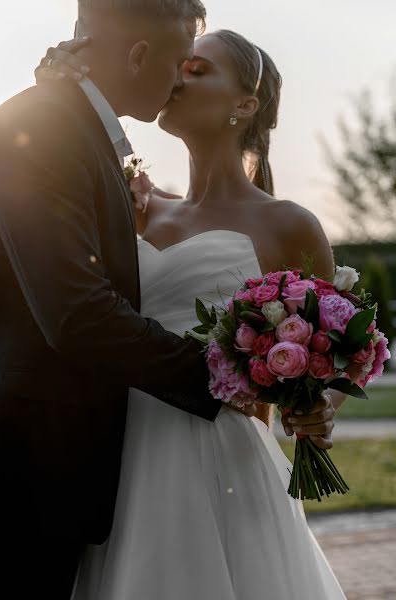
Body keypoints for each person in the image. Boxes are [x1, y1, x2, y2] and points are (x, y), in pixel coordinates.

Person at [36, 21, 351, 599]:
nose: (178, 75)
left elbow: (325, 353)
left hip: (214, 460)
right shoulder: (138, 206)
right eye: (179, 62)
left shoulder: (288, 224)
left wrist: (316, 408)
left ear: (245, 104)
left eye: (198, 69)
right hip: (110, 449)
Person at [0, 2, 256, 599]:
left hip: (67, 465)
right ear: (140, 55)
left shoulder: (77, 129)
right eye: (176, 62)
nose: (176, 81)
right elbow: (78, 313)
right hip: (26, 470)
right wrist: (222, 374)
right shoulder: (46, 128)